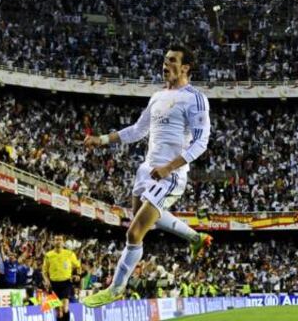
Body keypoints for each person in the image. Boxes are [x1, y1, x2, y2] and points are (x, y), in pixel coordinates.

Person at [82, 45, 213, 307]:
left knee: (134, 233)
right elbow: (137, 130)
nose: (166, 65)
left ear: (186, 67)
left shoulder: (195, 98)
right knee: (143, 223)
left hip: (170, 175)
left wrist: (169, 167)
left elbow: (201, 143)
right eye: (165, 60)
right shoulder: (157, 96)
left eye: (173, 61)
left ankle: (116, 288)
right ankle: (196, 237)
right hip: (146, 171)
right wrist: (102, 139)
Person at [42, 235, 79, 321]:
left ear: (63, 242)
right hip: (53, 285)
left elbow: (78, 266)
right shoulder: (48, 255)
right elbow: (44, 272)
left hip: (66, 283)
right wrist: (47, 281)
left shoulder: (69, 254)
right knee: (59, 312)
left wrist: (77, 275)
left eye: (60, 239)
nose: (58, 241)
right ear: (53, 241)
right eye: (56, 239)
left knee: (65, 308)